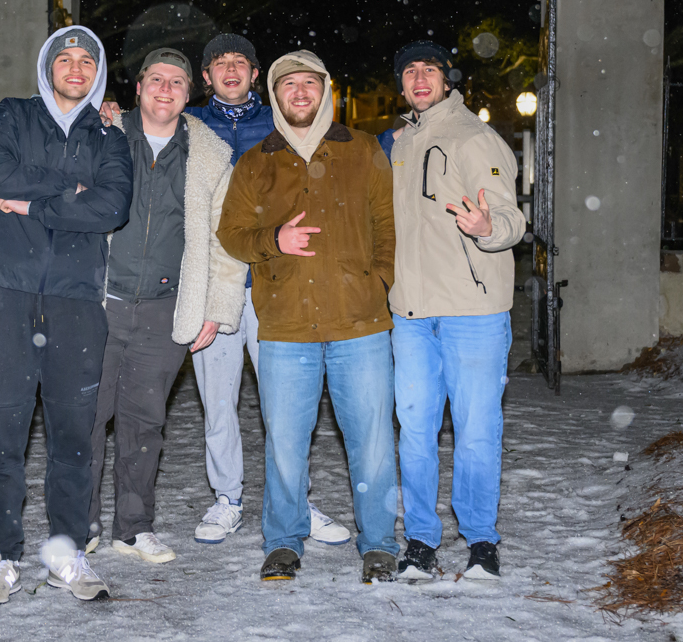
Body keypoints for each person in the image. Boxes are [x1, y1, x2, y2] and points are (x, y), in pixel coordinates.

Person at [102, 34, 351, 548]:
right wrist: (108, 112)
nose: (231, 70)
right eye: (219, 64)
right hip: (210, 284)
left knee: (286, 402)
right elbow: (138, 128)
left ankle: (295, 499)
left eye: (241, 61)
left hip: (274, 284)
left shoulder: (281, 125)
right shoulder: (192, 129)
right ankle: (227, 497)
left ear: (256, 74)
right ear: (206, 79)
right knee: (218, 401)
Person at [216, 50, 399, 583]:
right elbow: (230, 234)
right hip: (286, 327)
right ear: (274, 95)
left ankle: (380, 544)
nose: (299, 92)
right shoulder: (257, 161)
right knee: (285, 443)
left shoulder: (363, 150)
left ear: (327, 90)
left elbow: (387, 227)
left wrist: (377, 281)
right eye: (287, 84)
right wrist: (274, 239)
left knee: (371, 441)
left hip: (360, 324)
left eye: (309, 83)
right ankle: (283, 541)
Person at [0, 25, 132, 605]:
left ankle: (68, 554)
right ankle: (1, 556)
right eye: (64, 58)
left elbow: (113, 206)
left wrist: (36, 202)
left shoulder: (109, 133)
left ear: (99, 73)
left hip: (75, 301)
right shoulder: (13, 115)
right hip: (5, 294)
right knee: (2, 434)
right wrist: (72, 190)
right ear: (47, 67)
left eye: (87, 60)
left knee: (73, 437)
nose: (75, 67)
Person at [87, 47, 247, 565]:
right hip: (99, 302)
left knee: (144, 421)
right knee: (86, 417)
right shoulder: (103, 133)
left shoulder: (210, 153)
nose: (164, 89)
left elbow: (224, 241)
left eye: (176, 82)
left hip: (165, 308)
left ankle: (133, 527)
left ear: (189, 92)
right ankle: (80, 521)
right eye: (155, 79)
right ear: (137, 88)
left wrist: (216, 307)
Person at [386, 40, 524, 583]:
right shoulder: (399, 142)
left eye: (430, 70)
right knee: (415, 432)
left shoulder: (474, 137)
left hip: (473, 311)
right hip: (412, 314)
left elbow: (510, 217)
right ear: (401, 84)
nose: (419, 79)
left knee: (475, 432)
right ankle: (420, 540)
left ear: (448, 79)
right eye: (409, 71)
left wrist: (489, 229)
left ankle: (481, 541)